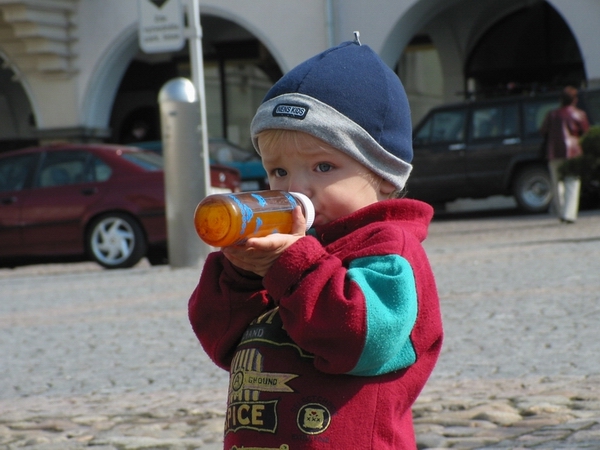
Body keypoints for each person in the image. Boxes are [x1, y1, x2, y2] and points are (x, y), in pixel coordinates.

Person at [188, 33, 443, 449]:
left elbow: (362, 342)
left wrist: (294, 266)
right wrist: (240, 274)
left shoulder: (388, 247)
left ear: (383, 175)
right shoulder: (287, 247)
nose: (296, 189)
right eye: (279, 172)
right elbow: (220, 341)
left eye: (323, 167)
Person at [540, 86, 590, 223]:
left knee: (557, 183)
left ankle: (561, 212)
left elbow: (543, 131)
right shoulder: (579, 114)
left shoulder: (552, 114)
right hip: (573, 153)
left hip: (554, 153)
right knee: (572, 182)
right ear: (575, 100)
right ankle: (569, 214)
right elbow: (586, 133)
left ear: (560, 99)